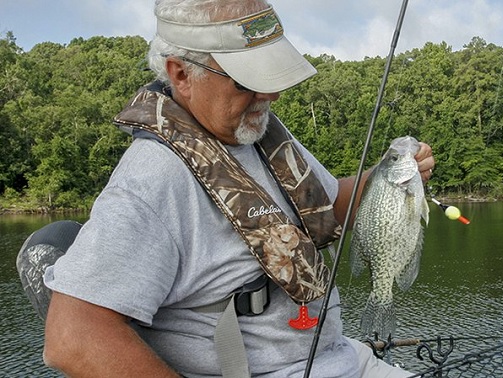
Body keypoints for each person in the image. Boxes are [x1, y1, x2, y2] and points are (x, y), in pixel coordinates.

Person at [42, 0, 435, 377]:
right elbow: (72, 339)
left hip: (341, 358)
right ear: (180, 73)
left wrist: (388, 177)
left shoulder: (255, 132)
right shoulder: (152, 181)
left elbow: (331, 204)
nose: (270, 94)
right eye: (247, 79)